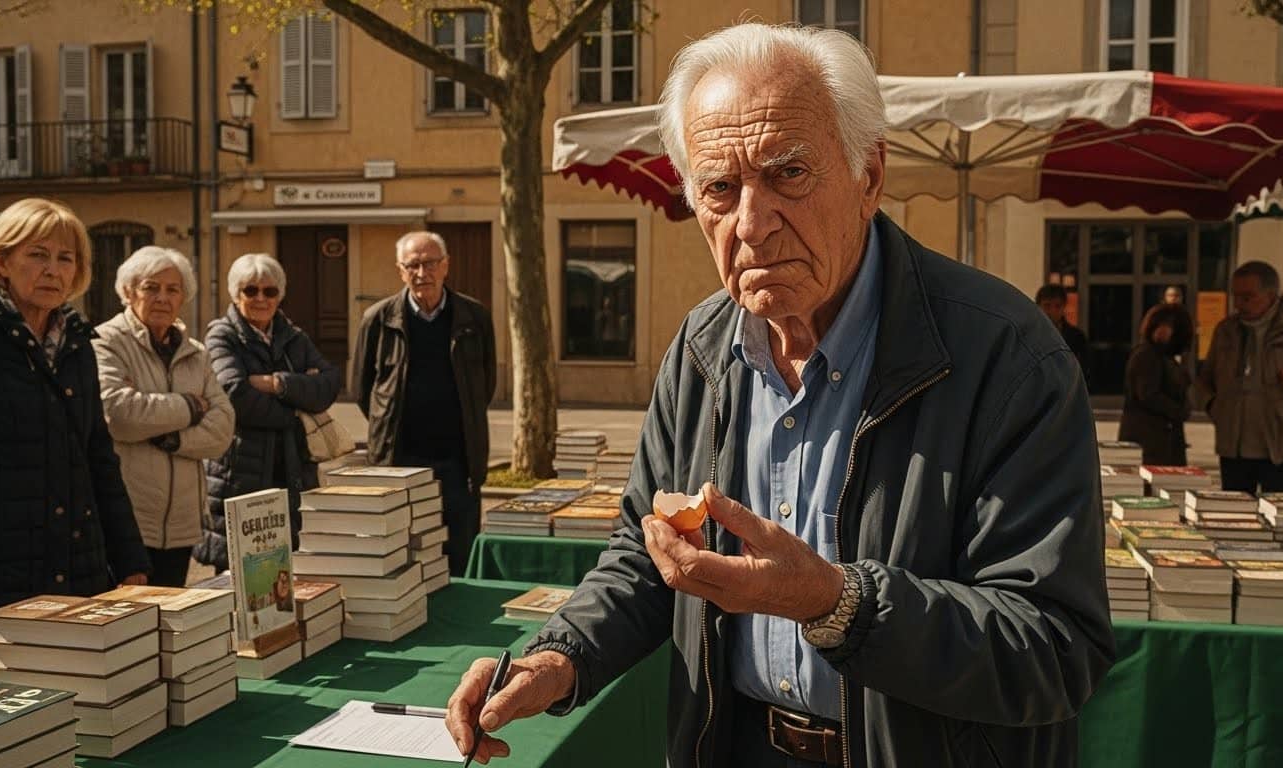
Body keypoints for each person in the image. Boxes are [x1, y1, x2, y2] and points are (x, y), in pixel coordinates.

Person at [445, 24, 1113, 768]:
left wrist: (835, 603)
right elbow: (645, 556)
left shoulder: (1006, 357)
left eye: (787, 173)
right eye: (719, 189)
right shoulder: (701, 349)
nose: (751, 224)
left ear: (869, 176)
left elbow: (1054, 649)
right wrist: (556, 659)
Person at [0, 197, 150, 678]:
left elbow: (98, 458)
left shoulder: (77, 342)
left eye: (66, 258)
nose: (53, 269)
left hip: (78, 575)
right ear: (2, 260)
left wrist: (130, 560)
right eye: (38, 254)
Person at [354, 232, 496, 576]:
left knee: (459, 553)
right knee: (400, 555)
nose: (422, 272)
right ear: (401, 271)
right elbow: (362, 390)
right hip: (399, 461)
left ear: (445, 266)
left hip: (457, 462)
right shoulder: (378, 318)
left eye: (430, 263)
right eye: (413, 265)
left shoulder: (474, 317)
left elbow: (485, 386)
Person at [93, 246, 235, 587]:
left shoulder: (196, 352)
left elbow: (223, 428)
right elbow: (119, 414)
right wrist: (190, 406)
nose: (162, 298)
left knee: (171, 625)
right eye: (151, 287)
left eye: (173, 289)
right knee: (127, 626)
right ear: (128, 292)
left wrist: (173, 438)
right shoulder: (106, 341)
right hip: (128, 521)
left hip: (182, 526)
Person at [198, 253, 341, 572]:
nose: (261, 298)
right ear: (236, 294)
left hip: (292, 472)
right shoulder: (222, 335)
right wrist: (296, 410)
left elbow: (330, 384)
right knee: (241, 575)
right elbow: (235, 395)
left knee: (291, 572)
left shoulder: (294, 336)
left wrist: (277, 384)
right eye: (251, 290)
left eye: (270, 291)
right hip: (241, 475)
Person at [1197, 261, 1283, 493]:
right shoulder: (1226, 330)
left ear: (1271, 295)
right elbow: (1204, 379)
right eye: (1236, 296)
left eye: (1248, 297)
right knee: (1235, 520)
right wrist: (1214, 406)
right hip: (1234, 448)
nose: (1239, 304)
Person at [1119, 303, 1194, 465]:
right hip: (1150, 441)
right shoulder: (1147, 354)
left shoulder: (1167, 357)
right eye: (1160, 325)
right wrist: (1178, 410)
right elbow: (1148, 394)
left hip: (1164, 441)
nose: (1162, 330)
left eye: (1168, 326)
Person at [1036, 283, 1088, 373]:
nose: (1052, 311)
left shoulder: (1076, 336)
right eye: (1047, 306)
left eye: (1057, 306)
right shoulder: (1031, 335)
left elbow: (1084, 369)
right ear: (1038, 306)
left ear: (1064, 307)